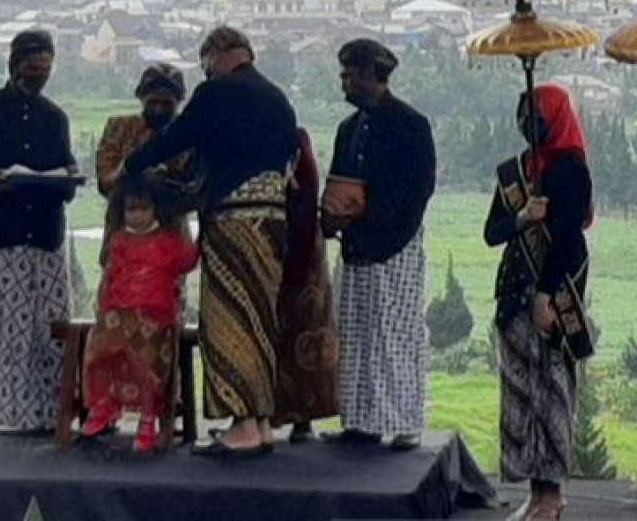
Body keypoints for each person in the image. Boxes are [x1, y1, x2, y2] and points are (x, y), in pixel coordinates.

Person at [121, 26, 299, 456]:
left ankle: (242, 423)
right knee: (261, 319)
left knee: (229, 320)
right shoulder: (278, 99)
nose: (205, 72)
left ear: (217, 54)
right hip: (273, 219)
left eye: (205, 64)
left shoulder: (216, 93)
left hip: (231, 219)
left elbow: (177, 137)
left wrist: (132, 165)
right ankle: (261, 422)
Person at [0, 29, 84, 432]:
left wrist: (67, 178)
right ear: (14, 64)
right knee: (2, 330)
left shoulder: (55, 118)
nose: (37, 75)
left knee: (49, 332)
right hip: (4, 236)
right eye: (31, 67)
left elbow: (66, 178)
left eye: (44, 68)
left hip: (46, 238)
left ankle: (50, 411)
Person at [483, 84, 592, 521]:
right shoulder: (517, 172)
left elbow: (567, 238)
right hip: (515, 290)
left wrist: (546, 296)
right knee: (521, 393)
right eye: (523, 113)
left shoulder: (571, 170)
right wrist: (523, 216)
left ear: (555, 116)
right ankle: (533, 490)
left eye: (537, 114)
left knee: (552, 390)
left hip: (554, 289)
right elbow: (493, 232)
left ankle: (552, 493)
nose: (529, 123)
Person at [322, 38, 435, 452]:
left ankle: (404, 421)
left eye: (349, 75)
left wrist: (372, 219)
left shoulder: (410, 125)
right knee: (355, 334)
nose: (344, 83)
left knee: (395, 334)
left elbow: (418, 190)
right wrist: (334, 217)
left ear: (370, 74)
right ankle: (360, 421)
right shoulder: (348, 129)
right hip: (356, 246)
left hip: (395, 244)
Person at [79, 179, 198, 453]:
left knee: (147, 358)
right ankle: (103, 405)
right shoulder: (119, 241)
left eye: (143, 209)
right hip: (119, 312)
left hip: (155, 316)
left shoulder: (170, 241)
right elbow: (109, 276)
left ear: (157, 209)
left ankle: (148, 417)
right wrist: (103, 307)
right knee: (99, 347)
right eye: (131, 209)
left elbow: (187, 262)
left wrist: (200, 238)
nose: (137, 216)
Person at [275, 127, 340, 444]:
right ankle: (273, 414)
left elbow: (306, 193)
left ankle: (304, 417)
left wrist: (294, 254)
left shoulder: (294, 142)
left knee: (307, 333)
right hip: (276, 246)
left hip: (300, 248)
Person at [94, 64, 193, 262]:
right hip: (123, 237)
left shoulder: (187, 135)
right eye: (153, 102)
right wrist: (132, 172)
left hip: (170, 243)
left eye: (167, 104)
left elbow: (194, 190)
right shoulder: (119, 128)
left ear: (179, 102)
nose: (159, 109)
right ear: (141, 98)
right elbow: (105, 181)